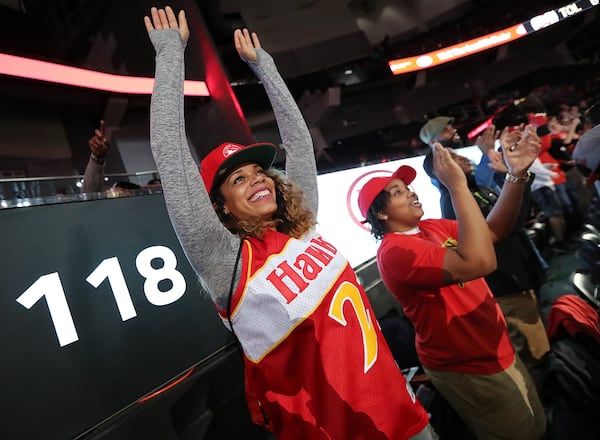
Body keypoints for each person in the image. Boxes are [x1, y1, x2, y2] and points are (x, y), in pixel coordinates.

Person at [144, 7, 433, 439]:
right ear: (220, 208)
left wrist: (266, 68)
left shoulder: (302, 226)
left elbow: (298, 144)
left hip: (400, 410)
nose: (257, 179)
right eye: (238, 180)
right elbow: (171, 157)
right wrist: (171, 55)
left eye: (259, 171)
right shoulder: (228, 263)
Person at [358, 128, 546, 439]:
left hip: (491, 345)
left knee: (535, 424)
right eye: (398, 192)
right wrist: (457, 186)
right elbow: (481, 262)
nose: (411, 192)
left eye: (407, 187)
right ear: (379, 213)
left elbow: (494, 231)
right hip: (468, 364)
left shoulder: (430, 228)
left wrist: (516, 176)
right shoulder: (396, 252)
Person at [420, 124, 550, 386]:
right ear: (441, 172)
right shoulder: (454, 202)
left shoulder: (474, 190)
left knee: (541, 350)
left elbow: (515, 219)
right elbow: (496, 233)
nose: (464, 159)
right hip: (506, 285)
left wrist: (516, 175)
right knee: (537, 359)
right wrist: (515, 176)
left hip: (520, 275)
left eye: (459, 156)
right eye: (454, 159)